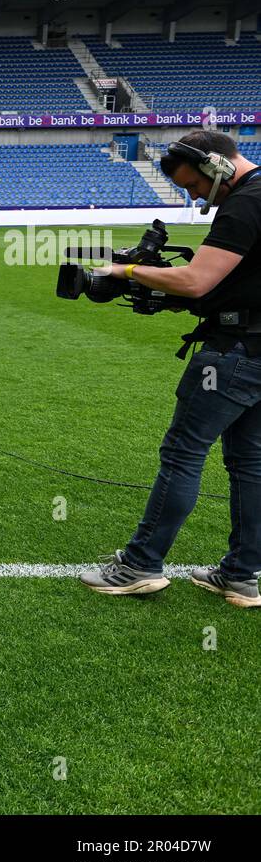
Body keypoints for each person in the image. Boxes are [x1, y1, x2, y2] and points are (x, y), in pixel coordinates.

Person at [80, 130, 261, 608]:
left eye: (195, 184)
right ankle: (241, 576)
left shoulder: (245, 204)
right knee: (250, 464)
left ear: (217, 165)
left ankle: (139, 565)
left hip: (233, 354)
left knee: (184, 453)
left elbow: (197, 280)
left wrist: (125, 271)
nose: (194, 195)